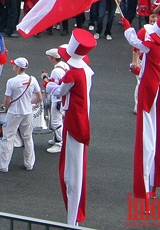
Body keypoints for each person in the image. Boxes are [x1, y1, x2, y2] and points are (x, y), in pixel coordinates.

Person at [124, 13, 160, 210]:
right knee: (157, 137)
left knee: (147, 139)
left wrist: (126, 25)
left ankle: (146, 185)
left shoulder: (153, 44)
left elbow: (133, 40)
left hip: (150, 91)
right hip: (159, 90)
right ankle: (152, 183)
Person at [53, 29, 97, 226]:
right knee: (74, 168)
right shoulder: (86, 71)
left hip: (74, 121)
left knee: (72, 172)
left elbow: (60, 91)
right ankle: (73, 216)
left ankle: (72, 219)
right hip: (81, 118)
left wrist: (50, 86)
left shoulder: (73, 74)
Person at [0, 57, 42, 173]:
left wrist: (5, 107)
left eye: (14, 65)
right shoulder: (32, 79)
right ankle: (29, 163)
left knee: (8, 138)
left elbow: (7, 100)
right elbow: (39, 97)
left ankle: (3, 165)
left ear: (18, 67)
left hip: (14, 113)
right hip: (27, 112)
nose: (12, 66)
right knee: (27, 137)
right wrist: (29, 103)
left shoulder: (12, 81)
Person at [42, 47, 69, 154]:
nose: (48, 59)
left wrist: (45, 80)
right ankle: (57, 137)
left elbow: (53, 85)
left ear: (53, 58)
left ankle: (59, 142)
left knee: (56, 121)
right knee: (60, 120)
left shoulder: (56, 71)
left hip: (58, 99)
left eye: (49, 57)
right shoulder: (64, 65)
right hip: (64, 98)